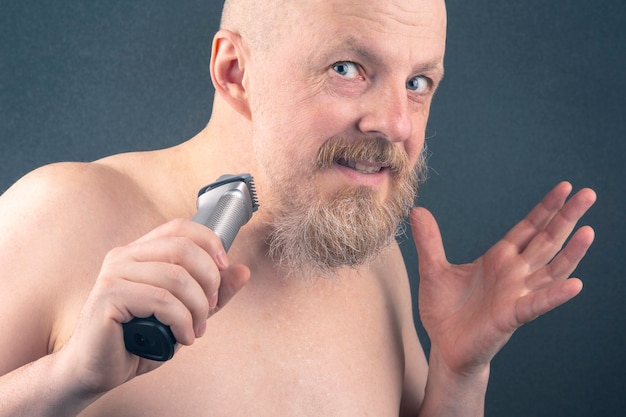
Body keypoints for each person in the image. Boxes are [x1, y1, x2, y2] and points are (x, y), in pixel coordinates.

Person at [0, 0, 597, 415]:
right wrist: (68, 379)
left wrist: (459, 373)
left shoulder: (368, 260)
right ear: (235, 72)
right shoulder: (61, 215)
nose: (394, 123)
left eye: (418, 83)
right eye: (348, 69)